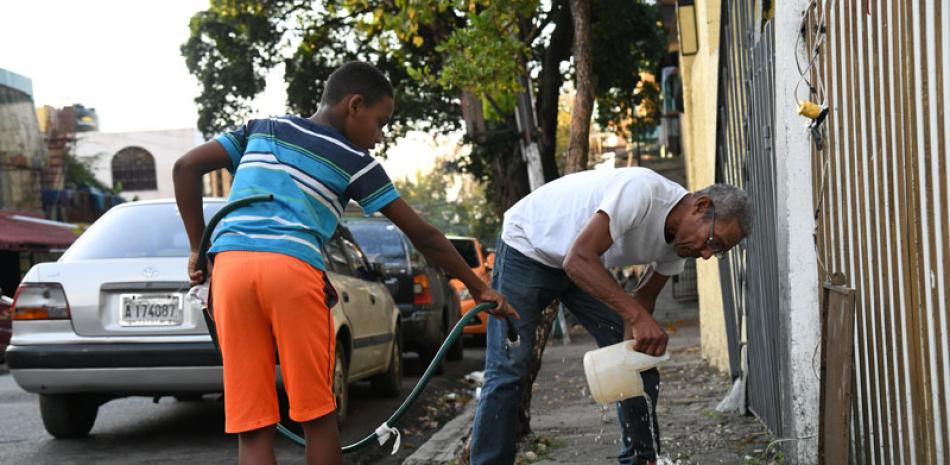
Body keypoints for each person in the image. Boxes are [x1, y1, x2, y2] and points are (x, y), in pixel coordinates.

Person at [173, 61, 517, 465]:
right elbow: (423, 235)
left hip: (229, 271)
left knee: (253, 424)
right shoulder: (355, 161)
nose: (379, 137)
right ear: (355, 105)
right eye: (380, 121)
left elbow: (185, 167)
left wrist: (199, 248)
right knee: (318, 415)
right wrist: (480, 287)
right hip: (291, 269)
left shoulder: (261, 129)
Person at [469, 168, 752, 465]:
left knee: (639, 360)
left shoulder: (682, 242)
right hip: (529, 246)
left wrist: (632, 349)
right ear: (701, 206)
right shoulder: (642, 192)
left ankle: (642, 459)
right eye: (713, 242)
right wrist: (638, 319)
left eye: (718, 252)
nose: (707, 254)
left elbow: (643, 299)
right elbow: (577, 259)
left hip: (584, 262)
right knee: (509, 366)